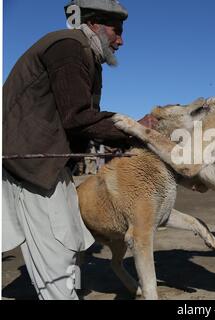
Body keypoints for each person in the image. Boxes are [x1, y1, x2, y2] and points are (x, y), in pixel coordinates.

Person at [2, 0, 153, 300]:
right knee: (56, 254)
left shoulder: (83, 53)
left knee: (72, 240)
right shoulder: (70, 48)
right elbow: (78, 117)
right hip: (31, 164)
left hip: (49, 164)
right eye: (116, 30)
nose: (121, 40)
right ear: (94, 24)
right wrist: (136, 130)